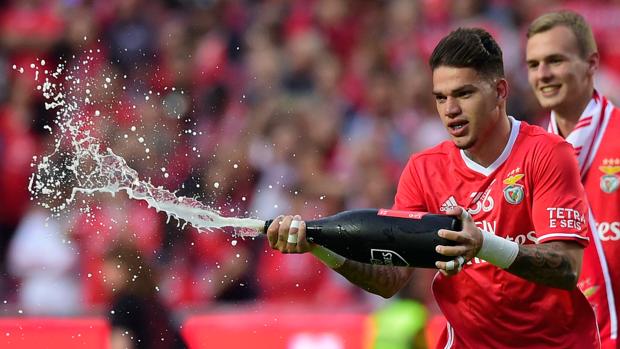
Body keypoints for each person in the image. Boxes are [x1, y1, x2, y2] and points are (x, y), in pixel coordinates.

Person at [267, 27, 600, 348]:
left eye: (464, 94)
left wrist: (483, 245)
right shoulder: (424, 170)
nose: (450, 110)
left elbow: (567, 268)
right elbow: (390, 280)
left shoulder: (547, 154)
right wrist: (317, 244)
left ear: (500, 91)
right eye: (441, 98)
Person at [526, 10, 618, 348]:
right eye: (533, 65)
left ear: (592, 63)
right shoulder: (528, 157)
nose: (543, 74)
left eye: (555, 60)